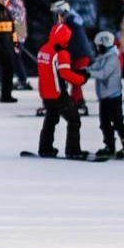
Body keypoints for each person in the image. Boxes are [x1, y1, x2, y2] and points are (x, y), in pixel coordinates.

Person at [35, 22, 90, 159]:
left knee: (51, 119)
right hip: (58, 94)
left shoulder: (44, 49)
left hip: (45, 94)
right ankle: (73, 150)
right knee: (74, 120)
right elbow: (65, 73)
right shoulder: (61, 53)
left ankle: (45, 147)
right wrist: (81, 79)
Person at [86, 31, 124, 158]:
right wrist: (83, 71)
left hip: (113, 96)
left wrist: (88, 74)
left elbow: (103, 74)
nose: (97, 49)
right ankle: (109, 145)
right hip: (104, 97)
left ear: (104, 45)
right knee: (104, 123)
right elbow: (94, 67)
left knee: (118, 122)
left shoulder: (113, 58)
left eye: (99, 46)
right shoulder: (103, 57)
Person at [49, 0, 93, 115]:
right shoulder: (73, 19)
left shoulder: (70, 21)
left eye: (58, 13)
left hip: (79, 55)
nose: (57, 17)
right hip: (78, 54)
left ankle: (77, 101)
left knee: (75, 79)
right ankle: (75, 100)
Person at [0, 0, 32, 91]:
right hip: (11, 36)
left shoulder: (16, 5)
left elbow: (14, 19)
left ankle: (21, 80)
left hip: (16, 36)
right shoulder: (13, 5)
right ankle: (3, 80)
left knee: (15, 59)